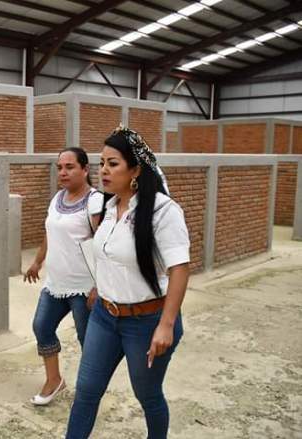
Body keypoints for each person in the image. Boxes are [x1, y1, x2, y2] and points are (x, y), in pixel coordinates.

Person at [65, 126, 190, 439]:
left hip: (146, 323)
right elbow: (109, 255)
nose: (103, 171)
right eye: (101, 163)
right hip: (104, 317)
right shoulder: (109, 207)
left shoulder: (163, 211)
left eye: (113, 163)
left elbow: (179, 268)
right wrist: (100, 286)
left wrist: (166, 325)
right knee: (86, 391)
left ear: (135, 170)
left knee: (147, 395)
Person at [24, 147, 104, 406]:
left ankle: (89, 392)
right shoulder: (58, 198)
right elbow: (51, 233)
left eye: (69, 167)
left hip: (84, 288)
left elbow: (104, 245)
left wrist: (99, 286)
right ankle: (54, 380)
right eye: (60, 167)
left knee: (87, 341)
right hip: (56, 284)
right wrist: (37, 261)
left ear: (85, 169)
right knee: (42, 326)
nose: (63, 172)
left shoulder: (95, 202)